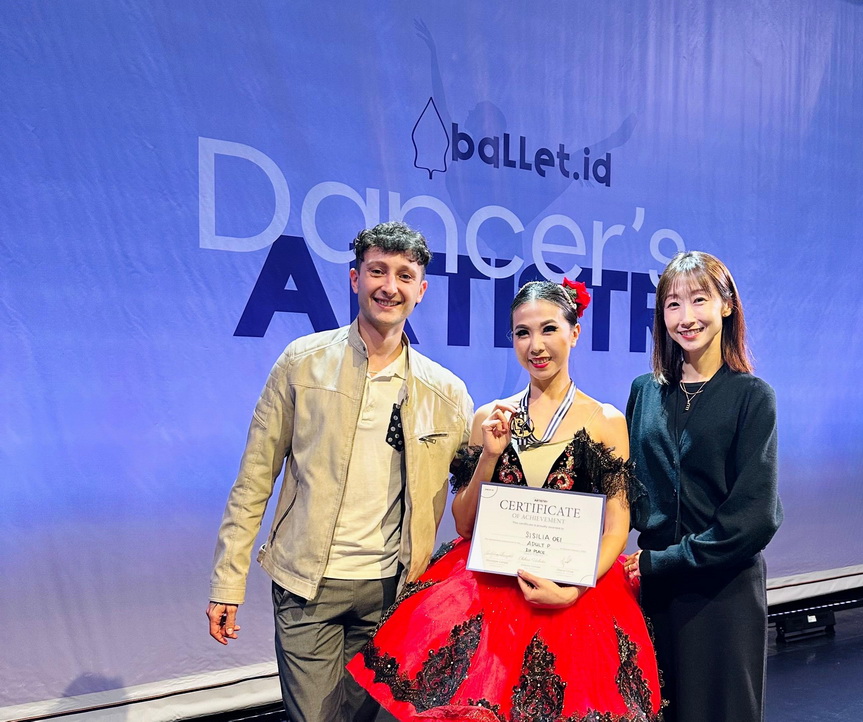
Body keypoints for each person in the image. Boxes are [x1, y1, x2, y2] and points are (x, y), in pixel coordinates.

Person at [346, 279, 662, 722]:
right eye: (522, 333)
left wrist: (572, 589)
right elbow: (464, 524)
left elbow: (616, 526)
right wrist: (490, 456)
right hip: (490, 594)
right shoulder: (491, 416)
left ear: (574, 333)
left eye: (549, 329)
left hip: (576, 597)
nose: (536, 346)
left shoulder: (605, 420)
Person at [206, 221, 474, 722]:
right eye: (377, 271)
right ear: (355, 279)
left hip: (392, 593)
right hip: (307, 584)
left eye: (404, 275)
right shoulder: (301, 364)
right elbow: (254, 478)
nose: (389, 286)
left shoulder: (448, 394)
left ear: (421, 290)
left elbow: (471, 501)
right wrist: (228, 581)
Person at [624, 251, 783, 722]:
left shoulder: (752, 396)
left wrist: (663, 561)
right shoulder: (644, 391)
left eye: (699, 300)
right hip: (652, 596)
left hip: (722, 595)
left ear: (726, 305)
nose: (686, 317)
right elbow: (625, 488)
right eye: (673, 304)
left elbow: (754, 518)